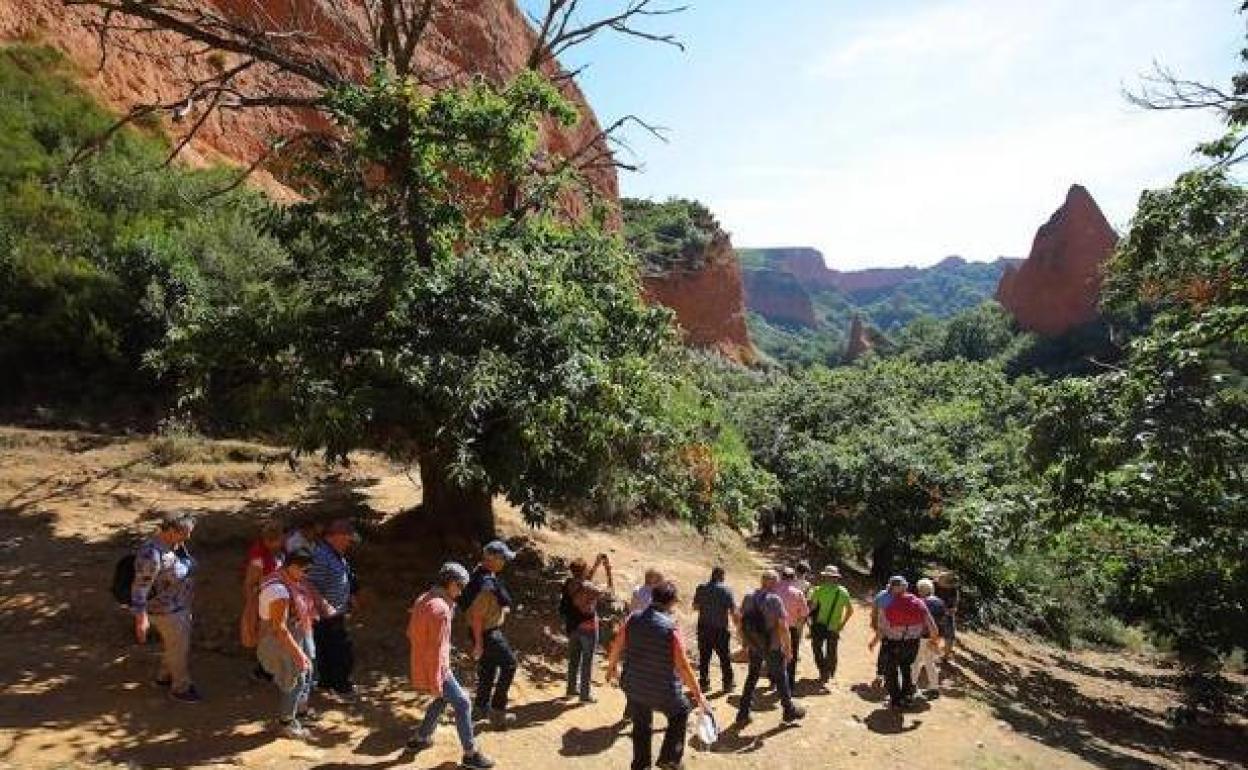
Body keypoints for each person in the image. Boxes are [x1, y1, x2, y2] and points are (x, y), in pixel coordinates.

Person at [607, 581, 708, 770]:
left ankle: (641, 765)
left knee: (641, 724)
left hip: (634, 684)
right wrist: (698, 694)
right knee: (680, 712)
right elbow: (684, 667)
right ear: (671, 603)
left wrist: (611, 667)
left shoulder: (632, 619)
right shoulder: (670, 628)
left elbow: (617, 645)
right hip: (662, 689)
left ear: (653, 598)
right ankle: (669, 759)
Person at [407, 562, 495, 770]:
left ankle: (421, 737)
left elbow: (411, 633)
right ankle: (470, 754)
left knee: (441, 700)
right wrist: (438, 676)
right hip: (436, 667)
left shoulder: (424, 598)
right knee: (463, 703)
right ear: (450, 583)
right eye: (460, 586)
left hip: (422, 662)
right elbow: (435, 649)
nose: (461, 591)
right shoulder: (441, 609)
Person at [256, 547, 328, 739]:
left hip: (296, 634)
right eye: (305, 571)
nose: (307, 575)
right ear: (293, 566)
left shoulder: (289, 578)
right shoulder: (279, 590)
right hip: (280, 641)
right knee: (295, 680)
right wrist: (298, 653)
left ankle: (298, 714)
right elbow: (279, 628)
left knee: (305, 674)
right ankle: (286, 723)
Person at [131, 511, 200, 703]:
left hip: (178, 606)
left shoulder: (174, 546)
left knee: (174, 646)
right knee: (178, 649)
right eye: (184, 532)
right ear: (170, 530)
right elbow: (140, 586)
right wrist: (141, 618)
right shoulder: (152, 554)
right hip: (166, 611)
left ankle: (164, 677)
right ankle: (181, 688)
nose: (188, 537)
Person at [735, 569, 805, 726]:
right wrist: (788, 648)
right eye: (776, 581)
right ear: (772, 582)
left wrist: (744, 643)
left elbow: (740, 622)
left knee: (752, 677)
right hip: (772, 646)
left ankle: (743, 713)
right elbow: (783, 627)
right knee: (781, 677)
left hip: (754, 645)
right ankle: (789, 711)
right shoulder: (774, 600)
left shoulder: (748, 598)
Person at [464, 540, 519, 727]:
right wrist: (479, 643)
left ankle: (480, 708)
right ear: (492, 558)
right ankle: (497, 711)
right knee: (510, 665)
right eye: (502, 558)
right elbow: (478, 616)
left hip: (483, 631)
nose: (504, 562)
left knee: (488, 668)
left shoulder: (481, 575)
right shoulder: (485, 584)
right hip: (487, 633)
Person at [307, 518, 360, 700]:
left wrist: (350, 597)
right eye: (347, 538)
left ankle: (327, 683)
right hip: (326, 614)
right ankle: (341, 686)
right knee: (341, 651)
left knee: (328, 649)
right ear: (335, 536)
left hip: (336, 611)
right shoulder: (321, 556)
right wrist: (324, 606)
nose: (349, 543)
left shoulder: (337, 554)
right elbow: (309, 584)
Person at [873, 576, 940, 709]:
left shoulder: (887, 604)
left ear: (891, 587)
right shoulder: (919, 603)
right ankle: (907, 697)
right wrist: (933, 641)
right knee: (906, 669)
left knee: (891, 671)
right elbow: (933, 628)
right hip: (913, 644)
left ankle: (896, 700)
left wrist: (877, 640)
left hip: (893, 642)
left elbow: (882, 627)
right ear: (905, 587)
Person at [559, 554, 613, 703]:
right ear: (583, 571)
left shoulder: (569, 583)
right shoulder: (589, 588)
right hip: (588, 627)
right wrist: (608, 571)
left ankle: (571, 689)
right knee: (587, 661)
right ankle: (584, 695)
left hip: (573, 626)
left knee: (574, 659)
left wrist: (596, 565)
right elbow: (609, 591)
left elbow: (584, 581)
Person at [241, 520, 286, 681]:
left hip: (276, 599)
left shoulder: (276, 553)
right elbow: (250, 585)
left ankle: (271, 668)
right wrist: (253, 607)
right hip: (265, 603)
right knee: (267, 637)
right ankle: (263, 670)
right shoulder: (259, 558)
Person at [693, 566, 739, 693]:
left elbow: (696, 607)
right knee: (724, 657)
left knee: (704, 657)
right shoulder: (726, 590)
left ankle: (704, 683)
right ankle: (728, 684)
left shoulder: (701, 588)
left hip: (704, 627)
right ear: (721, 576)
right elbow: (733, 611)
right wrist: (738, 628)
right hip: (720, 629)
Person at [807, 565, 854, 683]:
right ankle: (829, 671)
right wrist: (841, 625)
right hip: (834, 627)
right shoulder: (843, 591)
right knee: (831, 651)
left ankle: (823, 671)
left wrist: (806, 618)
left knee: (817, 648)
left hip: (819, 625)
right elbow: (850, 611)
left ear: (826, 577)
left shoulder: (819, 590)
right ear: (836, 578)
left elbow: (812, 608)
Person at [776, 565, 810, 686]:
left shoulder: (774, 589)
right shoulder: (798, 593)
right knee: (792, 654)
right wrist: (798, 623)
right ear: (792, 578)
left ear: (781, 576)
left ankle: (773, 678)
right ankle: (789, 682)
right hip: (791, 627)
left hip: (774, 627)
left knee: (775, 653)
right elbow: (805, 612)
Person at [911, 578, 946, 696]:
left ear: (921, 590)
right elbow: (942, 621)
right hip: (935, 636)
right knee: (929, 661)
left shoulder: (920, 602)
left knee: (916, 661)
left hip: (922, 636)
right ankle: (934, 688)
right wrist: (937, 638)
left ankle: (911, 686)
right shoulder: (940, 602)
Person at [869, 579, 895, 688]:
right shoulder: (899, 597)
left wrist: (873, 621)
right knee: (889, 654)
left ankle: (881, 675)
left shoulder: (882, 595)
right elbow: (875, 610)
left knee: (885, 653)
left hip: (887, 629)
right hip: (894, 631)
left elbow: (874, 610)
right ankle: (883, 676)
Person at [935, 571, 960, 659]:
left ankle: (946, 655)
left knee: (950, 635)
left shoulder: (953, 590)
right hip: (933, 613)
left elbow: (954, 607)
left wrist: (948, 611)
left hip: (946, 614)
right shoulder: (933, 585)